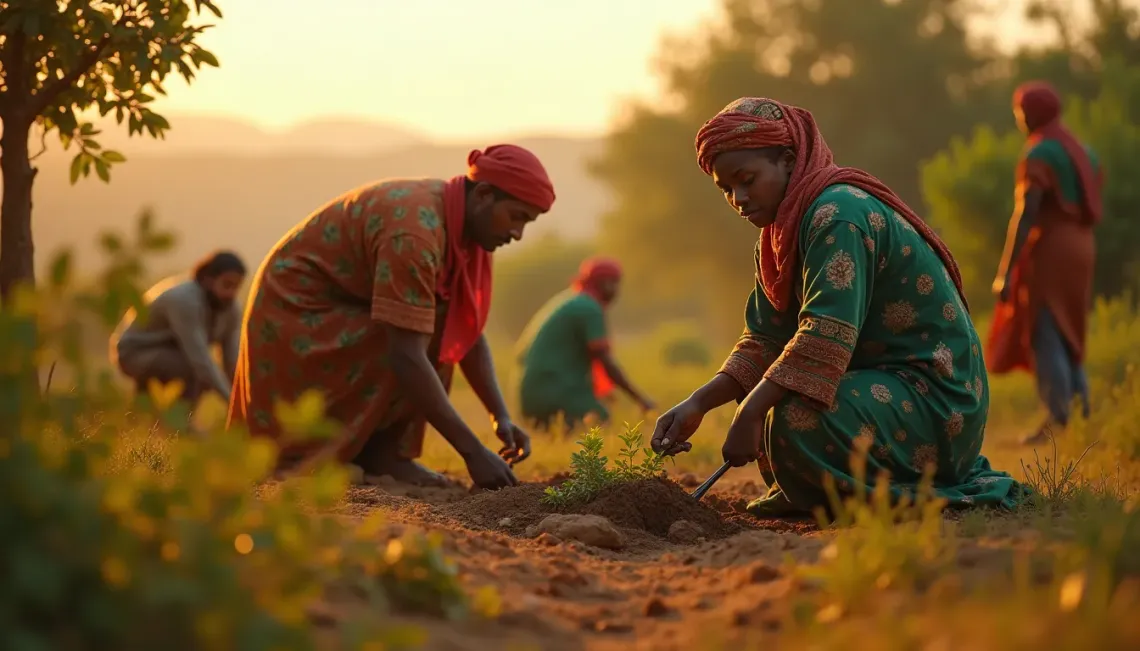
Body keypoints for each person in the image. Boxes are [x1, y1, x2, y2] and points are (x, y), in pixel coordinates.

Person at [650, 97, 1022, 518]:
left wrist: (753, 410)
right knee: (775, 404)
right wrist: (697, 404)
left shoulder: (837, 214)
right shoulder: (778, 235)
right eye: (726, 188)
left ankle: (866, 499)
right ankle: (830, 492)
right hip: (881, 392)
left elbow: (825, 332)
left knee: (788, 416)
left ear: (788, 160)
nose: (738, 197)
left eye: (747, 178)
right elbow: (765, 339)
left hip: (934, 403)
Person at [226, 145, 556, 490]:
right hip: (296, 313)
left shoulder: (463, 231)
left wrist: (499, 415)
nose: (518, 234)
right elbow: (406, 355)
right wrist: (472, 452)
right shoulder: (414, 234)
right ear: (484, 195)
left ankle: (382, 455)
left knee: (428, 316)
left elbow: (466, 327)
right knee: (417, 323)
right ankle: (319, 456)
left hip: (348, 309)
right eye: (516, 217)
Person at [989, 82, 1102, 446]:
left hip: (1052, 247)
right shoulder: (1084, 151)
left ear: (1033, 113)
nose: (1020, 121)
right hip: (1083, 245)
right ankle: (1082, 414)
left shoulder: (1040, 153)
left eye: (1021, 113)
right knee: (1070, 329)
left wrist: (1005, 272)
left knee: (1046, 329)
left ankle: (1059, 419)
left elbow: (1027, 213)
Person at [515, 256, 654, 430]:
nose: (616, 291)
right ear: (602, 283)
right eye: (613, 283)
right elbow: (605, 361)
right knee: (599, 422)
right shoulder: (589, 308)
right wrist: (641, 399)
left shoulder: (571, 300)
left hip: (529, 394)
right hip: (554, 392)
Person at [111, 250, 246, 405]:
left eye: (236, 286)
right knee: (195, 371)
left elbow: (231, 360)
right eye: (226, 284)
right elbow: (200, 361)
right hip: (134, 352)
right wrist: (231, 402)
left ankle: (166, 420)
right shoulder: (185, 300)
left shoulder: (231, 309)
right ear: (208, 280)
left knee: (201, 373)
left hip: (173, 353)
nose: (231, 293)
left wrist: (243, 400)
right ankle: (180, 422)